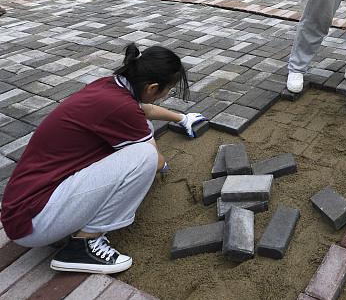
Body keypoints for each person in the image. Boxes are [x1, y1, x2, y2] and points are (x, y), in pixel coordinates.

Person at [0, 44, 208, 274]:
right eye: (169, 89)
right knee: (145, 157)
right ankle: (84, 245)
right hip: (33, 221)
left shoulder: (110, 87)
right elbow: (157, 162)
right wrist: (157, 162)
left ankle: (72, 224)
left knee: (140, 133)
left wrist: (182, 118)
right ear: (153, 88)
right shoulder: (121, 107)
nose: (168, 94)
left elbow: (143, 111)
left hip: (27, 203)